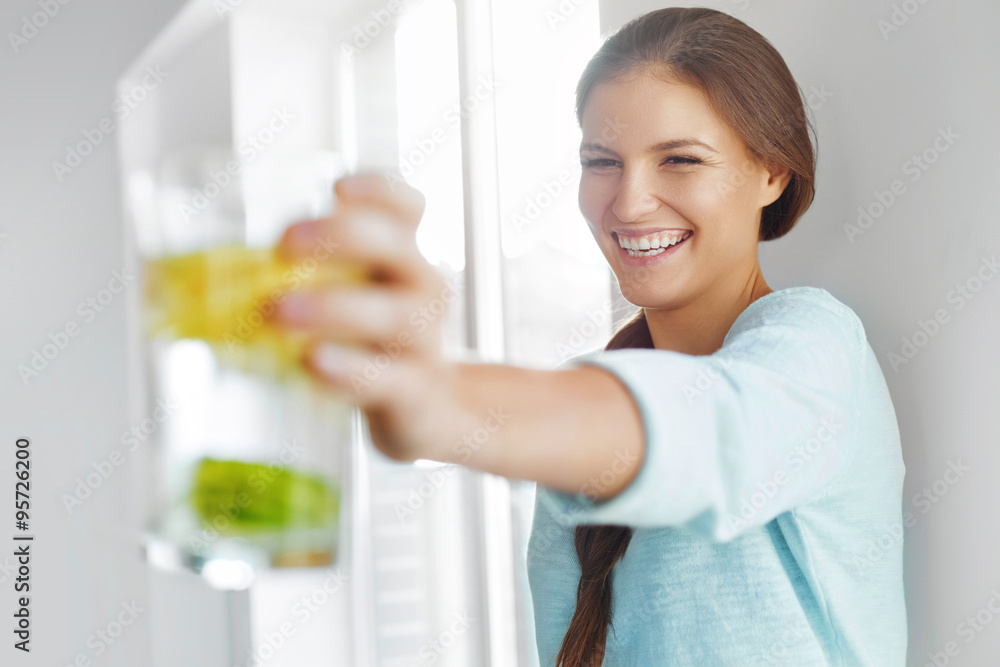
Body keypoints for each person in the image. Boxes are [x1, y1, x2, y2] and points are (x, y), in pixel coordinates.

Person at [269, 7, 907, 665]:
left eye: (680, 159)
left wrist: (443, 402)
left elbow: (717, 428)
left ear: (772, 173)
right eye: (601, 162)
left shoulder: (819, 350)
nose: (628, 203)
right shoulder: (584, 429)